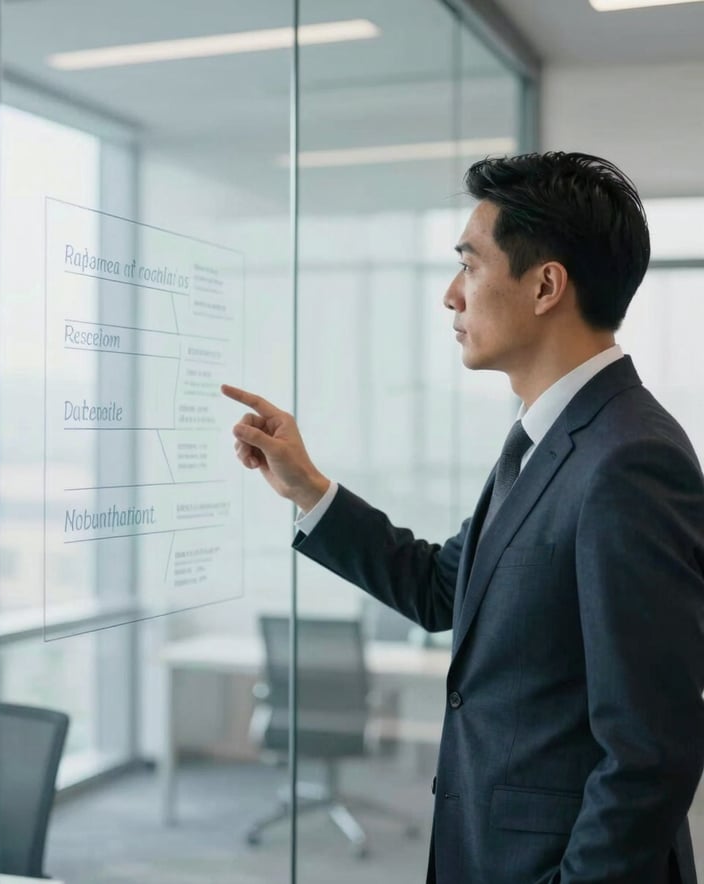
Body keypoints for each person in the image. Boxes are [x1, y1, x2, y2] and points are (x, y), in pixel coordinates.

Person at [221, 151, 704, 884]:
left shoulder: (627, 461)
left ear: (546, 285)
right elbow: (446, 590)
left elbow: (650, 749)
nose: (451, 295)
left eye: (470, 266)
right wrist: (309, 488)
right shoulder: (547, 439)